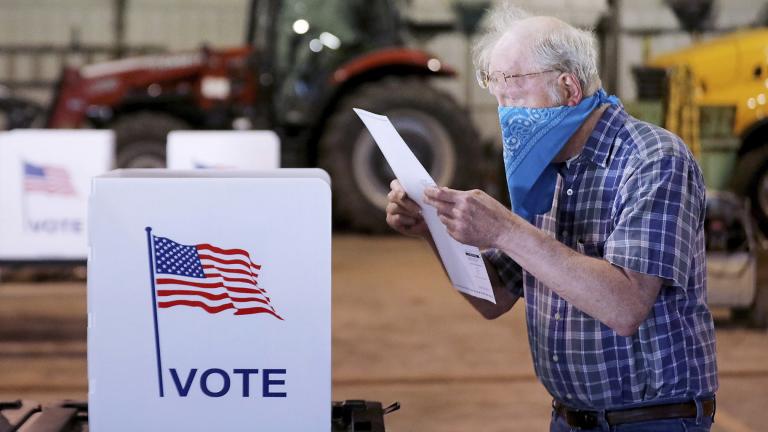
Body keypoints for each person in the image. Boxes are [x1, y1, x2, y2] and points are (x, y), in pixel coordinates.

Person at [384, 5, 717, 432]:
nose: (506, 118)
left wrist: (505, 228)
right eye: (499, 102)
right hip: (571, 419)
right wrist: (431, 225)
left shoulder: (653, 159)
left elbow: (625, 306)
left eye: (515, 100)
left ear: (568, 88)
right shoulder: (545, 172)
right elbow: (494, 297)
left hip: (652, 421)